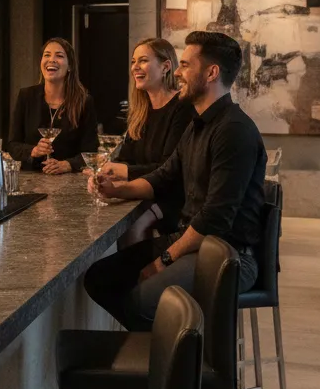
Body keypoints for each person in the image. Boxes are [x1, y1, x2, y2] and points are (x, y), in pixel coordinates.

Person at [84, 30, 266, 331]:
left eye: (185, 65)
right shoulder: (197, 125)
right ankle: (161, 359)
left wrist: (164, 259)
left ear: (211, 73)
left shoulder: (234, 131)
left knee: (140, 302)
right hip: (194, 242)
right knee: (99, 278)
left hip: (225, 255)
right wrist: (117, 189)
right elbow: (162, 177)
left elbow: (215, 218)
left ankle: (177, 367)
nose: (178, 72)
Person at [103, 38, 195, 243]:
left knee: (132, 229)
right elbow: (126, 158)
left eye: (143, 61)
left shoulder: (182, 108)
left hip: (172, 199)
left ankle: (149, 273)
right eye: (133, 61)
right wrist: (108, 175)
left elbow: (169, 170)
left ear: (165, 67)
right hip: (144, 194)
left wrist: (122, 172)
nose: (135, 67)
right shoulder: (140, 111)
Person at [6, 37, 97, 174]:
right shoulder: (26, 96)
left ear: (70, 66)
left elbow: (91, 152)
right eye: (47, 55)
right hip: (31, 179)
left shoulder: (84, 101)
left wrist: (67, 165)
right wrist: (33, 150)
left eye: (59, 56)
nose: (51, 60)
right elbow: (12, 145)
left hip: (70, 183)